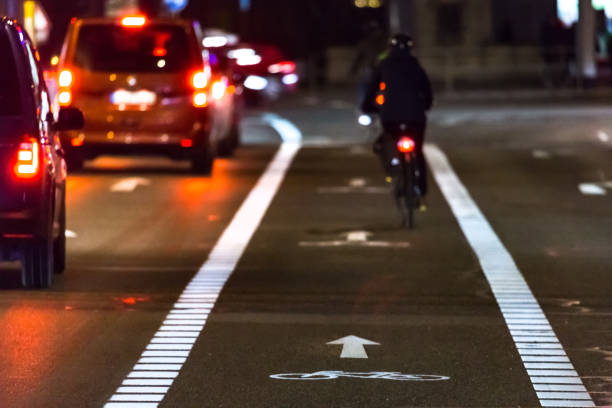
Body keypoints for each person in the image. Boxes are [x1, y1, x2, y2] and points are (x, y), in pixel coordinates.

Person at [360, 33, 433, 204]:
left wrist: (367, 107)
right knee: (418, 151)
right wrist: (426, 105)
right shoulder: (416, 66)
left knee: (386, 142)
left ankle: (393, 167)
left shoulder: (384, 65)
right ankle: (420, 188)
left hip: (390, 115)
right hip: (416, 117)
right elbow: (427, 90)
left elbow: (372, 89)